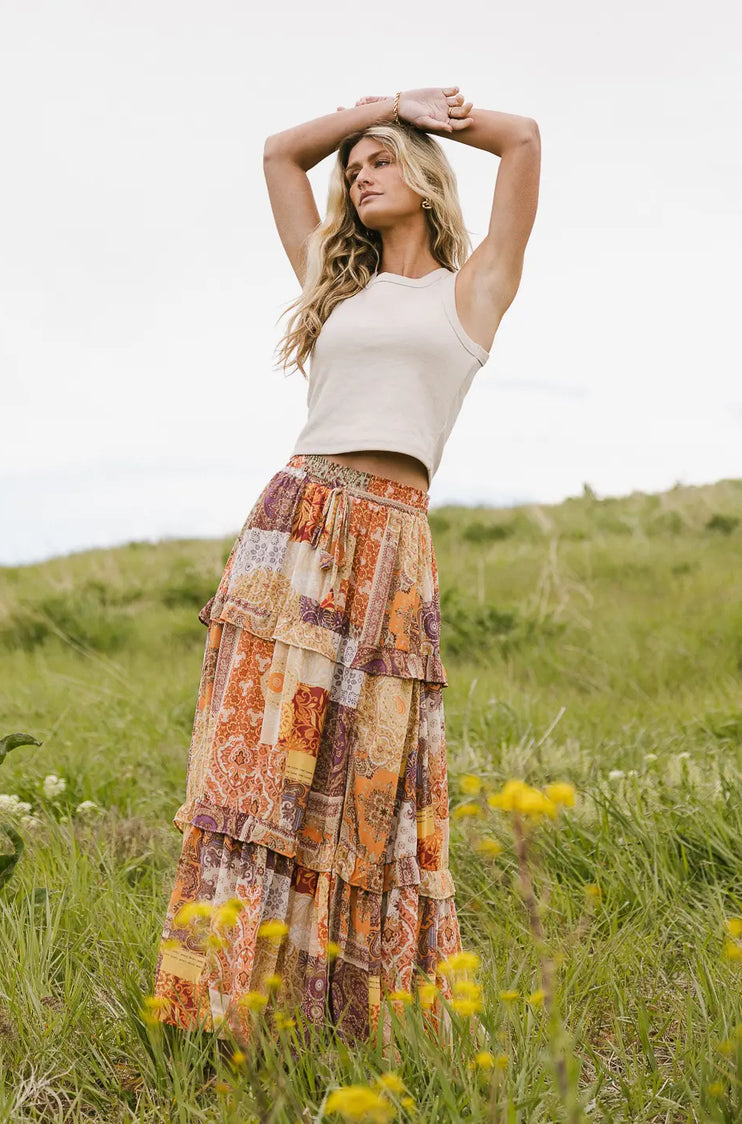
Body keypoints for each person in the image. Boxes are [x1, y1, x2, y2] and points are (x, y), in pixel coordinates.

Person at [151, 85, 540, 1061]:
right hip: (301, 522)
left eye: (378, 161)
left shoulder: (473, 287)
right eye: (354, 169)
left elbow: (525, 139)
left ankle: (350, 1014)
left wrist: (426, 114)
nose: (359, 176)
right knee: (260, 774)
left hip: (397, 545)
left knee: (375, 782)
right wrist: (375, 103)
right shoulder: (337, 281)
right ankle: (231, 1007)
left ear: (422, 176)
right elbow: (281, 153)